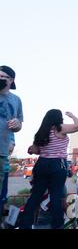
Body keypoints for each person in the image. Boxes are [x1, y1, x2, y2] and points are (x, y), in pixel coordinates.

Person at [19, 110, 78, 229]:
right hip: (57, 165)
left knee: (35, 196)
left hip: (41, 164)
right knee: (56, 196)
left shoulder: (41, 131)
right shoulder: (59, 128)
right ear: (58, 118)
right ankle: (57, 225)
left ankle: (25, 224)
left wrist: (32, 149)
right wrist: (72, 115)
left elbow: (37, 150)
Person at [0, 66, 23, 198]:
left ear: (11, 80)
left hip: (2, 152)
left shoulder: (16, 100)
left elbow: (19, 125)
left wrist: (17, 124)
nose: (0, 79)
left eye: (3, 77)